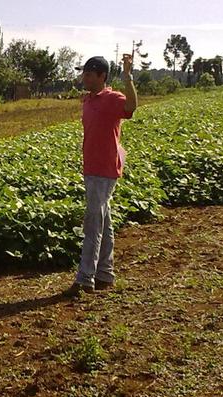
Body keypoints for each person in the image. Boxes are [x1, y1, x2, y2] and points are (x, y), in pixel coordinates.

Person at [67, 54, 138, 296]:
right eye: (83, 73)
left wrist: (128, 77)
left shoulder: (112, 98)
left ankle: (85, 278)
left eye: (88, 74)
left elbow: (131, 107)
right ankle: (105, 273)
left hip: (104, 169)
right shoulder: (88, 100)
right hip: (91, 168)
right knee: (103, 221)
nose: (83, 78)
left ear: (102, 76)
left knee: (93, 223)